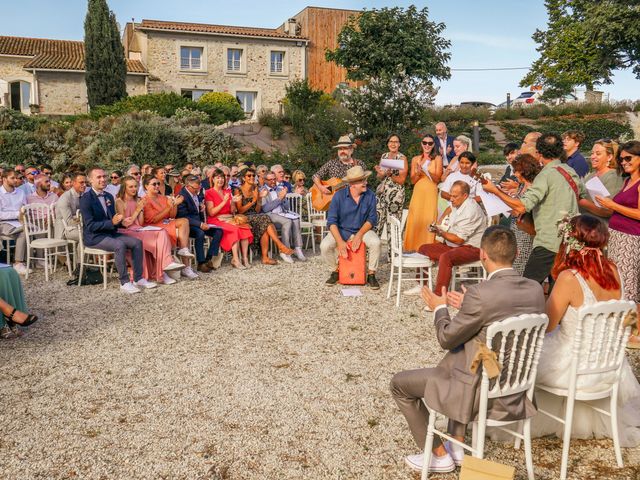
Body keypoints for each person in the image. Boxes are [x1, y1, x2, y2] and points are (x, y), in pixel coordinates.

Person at [390, 225, 545, 473]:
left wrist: (440, 308)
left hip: (477, 392)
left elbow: (446, 338)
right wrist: (467, 305)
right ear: (515, 255)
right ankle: (457, 445)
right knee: (467, 361)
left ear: (482, 254)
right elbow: (503, 312)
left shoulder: (481, 294)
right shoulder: (535, 289)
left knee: (399, 384)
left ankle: (438, 455)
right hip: (517, 389)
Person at [533, 214, 640, 446]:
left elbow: (548, 324)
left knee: (527, 353)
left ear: (570, 241)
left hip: (574, 367)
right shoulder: (614, 270)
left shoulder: (569, 278)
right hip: (609, 366)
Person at [482, 133, 586, 285]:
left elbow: (522, 206)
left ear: (539, 153)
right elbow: (583, 198)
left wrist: (495, 191)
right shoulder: (570, 172)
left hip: (549, 241)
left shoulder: (545, 175)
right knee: (558, 287)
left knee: (527, 287)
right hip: (571, 241)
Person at [79, 167, 157, 294]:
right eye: (99, 177)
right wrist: (112, 222)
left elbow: (113, 219)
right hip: (94, 237)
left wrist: (122, 221)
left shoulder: (108, 196)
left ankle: (138, 278)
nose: (103, 179)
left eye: (104, 176)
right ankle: (124, 282)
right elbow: (90, 225)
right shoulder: (86, 199)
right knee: (119, 245)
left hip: (110, 233)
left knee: (137, 243)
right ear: (90, 180)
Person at [595, 140, 640, 347]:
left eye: (628, 158)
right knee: (620, 282)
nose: (623, 162)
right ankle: (626, 328)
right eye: (621, 159)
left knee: (629, 285)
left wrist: (612, 205)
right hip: (617, 236)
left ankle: (635, 332)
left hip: (630, 239)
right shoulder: (628, 180)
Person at [407, 181, 487, 298]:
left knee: (446, 257)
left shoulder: (470, 210)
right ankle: (421, 285)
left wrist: (440, 232)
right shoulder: (458, 203)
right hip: (455, 244)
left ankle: (440, 295)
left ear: (465, 196)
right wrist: (439, 224)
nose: (451, 199)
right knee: (423, 248)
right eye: (450, 195)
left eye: (455, 196)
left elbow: (459, 239)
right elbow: (450, 209)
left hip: (473, 248)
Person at [116, 176, 184, 285]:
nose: (134, 189)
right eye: (131, 187)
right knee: (159, 235)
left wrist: (141, 210)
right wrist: (138, 209)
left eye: (135, 186)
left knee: (162, 232)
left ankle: (163, 270)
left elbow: (141, 222)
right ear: (124, 188)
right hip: (126, 231)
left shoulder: (138, 199)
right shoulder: (120, 201)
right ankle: (164, 267)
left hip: (139, 229)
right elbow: (125, 223)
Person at [321, 165, 380, 289]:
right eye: (362, 180)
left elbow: (372, 219)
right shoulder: (338, 196)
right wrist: (340, 241)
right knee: (324, 246)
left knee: (376, 242)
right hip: (342, 230)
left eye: (365, 179)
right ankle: (335, 271)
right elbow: (331, 222)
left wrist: (359, 235)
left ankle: (371, 274)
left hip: (362, 230)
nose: (366, 182)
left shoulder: (370, 195)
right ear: (352, 184)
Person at [141, 175, 198, 279]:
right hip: (153, 226)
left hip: (165, 222)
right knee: (183, 235)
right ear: (146, 186)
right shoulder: (145, 200)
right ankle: (184, 263)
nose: (157, 186)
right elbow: (153, 219)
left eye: (158, 183)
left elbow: (172, 215)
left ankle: (185, 258)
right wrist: (170, 206)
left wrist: (175, 204)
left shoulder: (163, 197)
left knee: (184, 222)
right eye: (154, 184)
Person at [234, 168, 294, 265]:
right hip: (244, 217)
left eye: (253, 175)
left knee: (265, 224)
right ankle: (279, 247)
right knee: (265, 219)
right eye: (249, 175)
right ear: (244, 178)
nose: (252, 177)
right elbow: (240, 210)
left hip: (256, 216)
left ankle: (266, 257)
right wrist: (253, 200)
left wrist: (259, 199)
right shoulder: (238, 190)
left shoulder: (255, 188)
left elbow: (257, 210)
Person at [204, 169, 252, 269]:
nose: (220, 180)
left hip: (229, 218)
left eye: (222, 177)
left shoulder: (227, 191)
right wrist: (224, 202)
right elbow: (211, 212)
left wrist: (233, 202)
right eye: (218, 177)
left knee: (245, 228)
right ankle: (235, 259)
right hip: (216, 220)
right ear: (212, 179)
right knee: (235, 229)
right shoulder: (209, 192)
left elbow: (232, 211)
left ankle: (244, 258)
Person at [176, 174, 224, 273]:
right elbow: (183, 217)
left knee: (218, 231)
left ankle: (208, 259)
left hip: (199, 222)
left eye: (199, 188)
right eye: (195, 189)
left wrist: (201, 208)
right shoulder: (182, 196)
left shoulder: (195, 193)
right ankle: (201, 263)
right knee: (200, 233)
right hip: (188, 226)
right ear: (188, 186)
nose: (198, 191)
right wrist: (200, 224)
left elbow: (196, 209)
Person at [404, 133, 442, 252]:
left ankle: (428, 247)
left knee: (429, 217)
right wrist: (418, 172)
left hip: (431, 191)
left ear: (433, 145)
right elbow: (413, 180)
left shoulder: (437, 158)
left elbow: (438, 179)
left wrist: (427, 172)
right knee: (416, 216)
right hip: (418, 191)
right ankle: (414, 247)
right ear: (421, 144)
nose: (427, 145)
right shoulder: (416, 159)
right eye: (425, 143)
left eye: (430, 143)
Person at [374, 134, 408, 250]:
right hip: (382, 193)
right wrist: (380, 173)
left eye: (396, 141)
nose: (393, 144)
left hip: (396, 195)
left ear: (399, 144)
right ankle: (371, 254)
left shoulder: (402, 158)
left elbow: (402, 180)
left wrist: (390, 174)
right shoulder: (384, 156)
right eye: (391, 141)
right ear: (388, 143)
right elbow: (380, 176)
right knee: (377, 221)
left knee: (392, 224)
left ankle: (393, 256)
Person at [261, 172, 306, 262]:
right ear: (265, 180)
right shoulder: (262, 190)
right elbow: (265, 208)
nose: (273, 181)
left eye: (274, 179)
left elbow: (286, 207)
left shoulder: (279, 189)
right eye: (270, 180)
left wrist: (284, 198)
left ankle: (298, 248)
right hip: (270, 215)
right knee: (287, 221)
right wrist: (279, 199)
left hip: (282, 213)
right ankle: (285, 251)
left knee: (296, 219)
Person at [509, 154, 541, 274]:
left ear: (525, 171)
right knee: (515, 262)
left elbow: (523, 207)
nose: (515, 174)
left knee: (522, 263)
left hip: (526, 231)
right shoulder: (522, 185)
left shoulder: (533, 187)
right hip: (515, 228)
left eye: (517, 171)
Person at [579, 139, 624, 224]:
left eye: (598, 154)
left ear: (609, 157)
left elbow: (608, 211)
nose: (592, 157)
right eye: (592, 153)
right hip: (585, 225)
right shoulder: (591, 175)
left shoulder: (614, 176)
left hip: (599, 229)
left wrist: (581, 201)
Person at [0, 169, 29, 275]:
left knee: (28, 230)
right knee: (26, 229)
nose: (16, 180)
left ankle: (21, 262)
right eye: (12, 178)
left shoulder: (20, 192)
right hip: (3, 223)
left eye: (16, 178)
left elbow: (24, 208)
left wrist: (22, 213)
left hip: (20, 222)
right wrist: (17, 214)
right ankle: (18, 263)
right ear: (4, 179)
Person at [54, 172, 87, 242]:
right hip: (66, 229)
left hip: (80, 227)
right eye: (81, 182)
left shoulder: (84, 195)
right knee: (89, 234)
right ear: (73, 183)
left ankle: (82, 252)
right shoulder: (65, 198)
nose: (84, 185)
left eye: (85, 182)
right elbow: (69, 221)